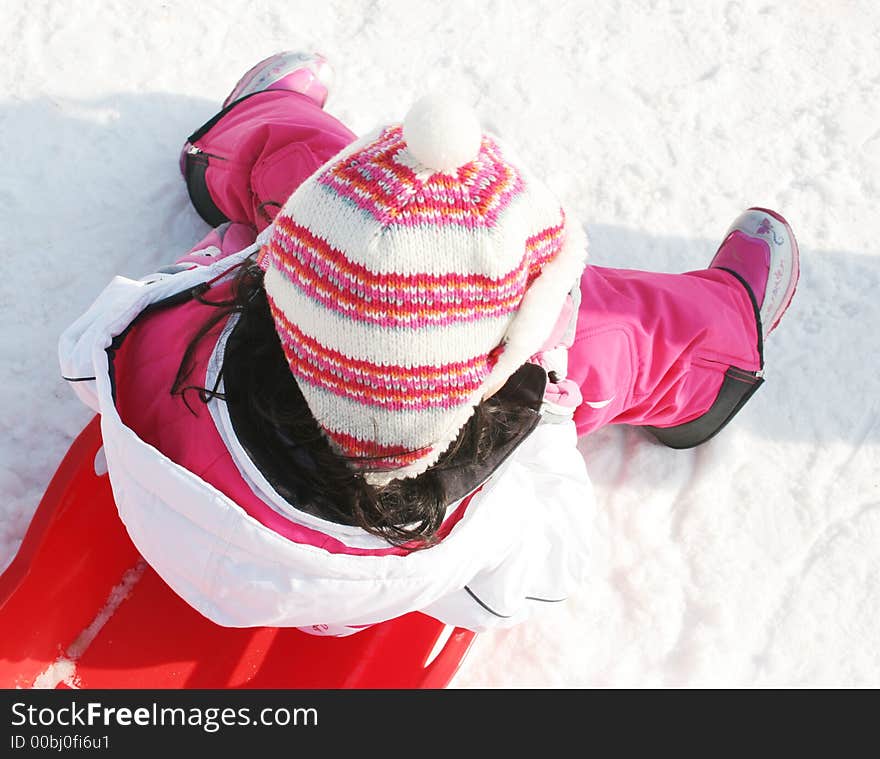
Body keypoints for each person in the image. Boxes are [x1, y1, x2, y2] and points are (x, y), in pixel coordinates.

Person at [59, 52, 799, 636]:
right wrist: (543, 415)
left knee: (331, 189)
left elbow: (83, 355)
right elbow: (543, 570)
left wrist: (216, 270)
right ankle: (717, 349)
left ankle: (242, 136)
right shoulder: (463, 535)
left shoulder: (154, 350)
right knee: (609, 333)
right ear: (477, 394)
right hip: (358, 563)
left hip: (238, 397)